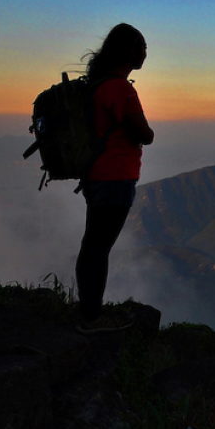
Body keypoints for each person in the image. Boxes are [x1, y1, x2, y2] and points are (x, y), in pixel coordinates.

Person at [74, 23, 154, 334]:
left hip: (96, 175)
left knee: (93, 244)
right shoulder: (121, 89)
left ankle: (88, 310)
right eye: (142, 48)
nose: (145, 55)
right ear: (129, 51)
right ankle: (92, 318)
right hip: (115, 177)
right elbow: (143, 134)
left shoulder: (97, 85)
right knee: (98, 248)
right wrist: (150, 132)